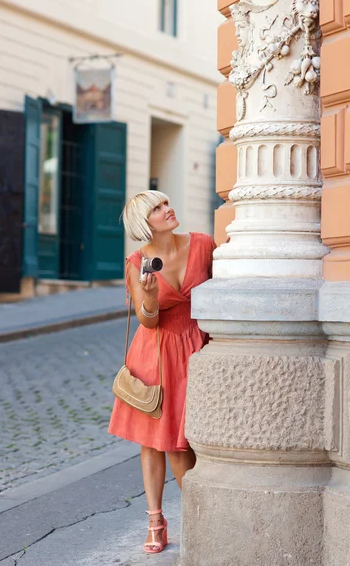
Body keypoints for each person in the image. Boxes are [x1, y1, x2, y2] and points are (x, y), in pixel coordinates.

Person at [108, 190, 216, 554]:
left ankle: (202, 515)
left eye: (167, 203)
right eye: (157, 208)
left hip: (198, 346)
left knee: (187, 440)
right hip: (155, 351)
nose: (168, 209)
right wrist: (150, 297)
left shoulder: (203, 244)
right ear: (144, 223)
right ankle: (156, 520)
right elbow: (147, 320)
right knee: (154, 440)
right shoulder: (137, 262)